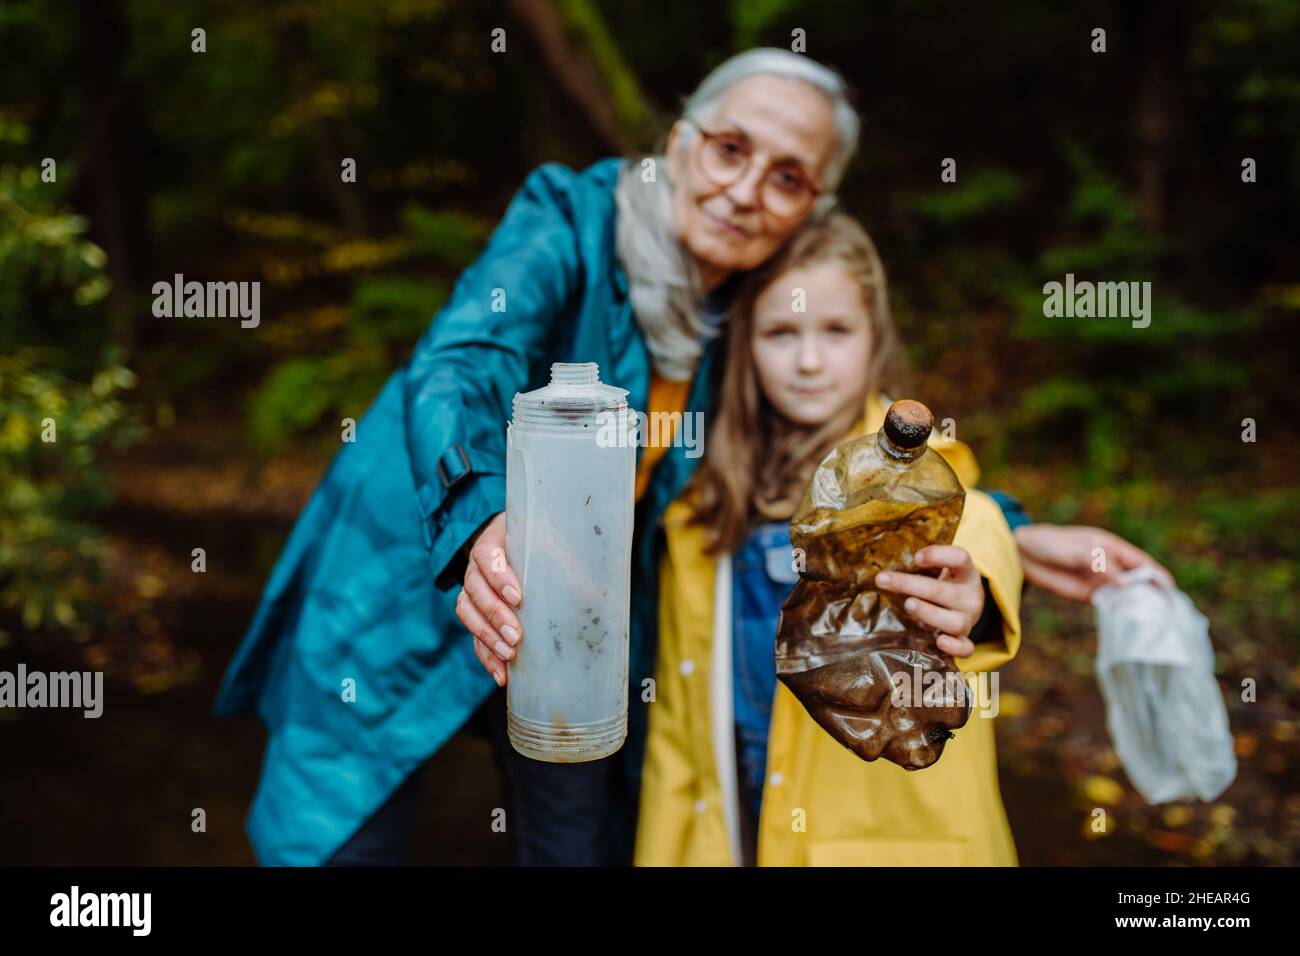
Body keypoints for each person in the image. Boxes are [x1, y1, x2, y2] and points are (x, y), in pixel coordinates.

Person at [212, 48, 865, 866]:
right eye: (730, 148)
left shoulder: (754, 314)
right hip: (416, 563)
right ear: (680, 138)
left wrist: (998, 535)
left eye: (788, 177)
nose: (744, 191)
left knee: (577, 844)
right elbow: (462, 362)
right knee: (340, 838)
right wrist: (480, 516)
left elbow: (845, 440)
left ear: (812, 206)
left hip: (575, 618)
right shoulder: (570, 218)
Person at [635, 211, 1026, 865]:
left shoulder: (922, 483)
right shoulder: (700, 504)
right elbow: (678, 734)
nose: (809, 361)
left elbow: (977, 525)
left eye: (836, 331)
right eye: (781, 332)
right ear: (743, 344)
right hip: (733, 835)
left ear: (875, 339)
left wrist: (973, 594)